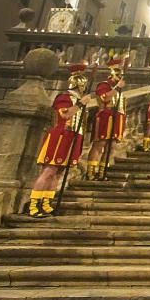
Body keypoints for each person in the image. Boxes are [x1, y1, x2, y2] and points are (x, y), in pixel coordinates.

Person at [27, 64, 91, 216]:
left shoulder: (79, 100)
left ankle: (47, 202)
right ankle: (33, 205)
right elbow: (65, 115)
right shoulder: (64, 98)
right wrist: (80, 104)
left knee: (58, 173)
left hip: (73, 137)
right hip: (61, 136)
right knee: (49, 171)